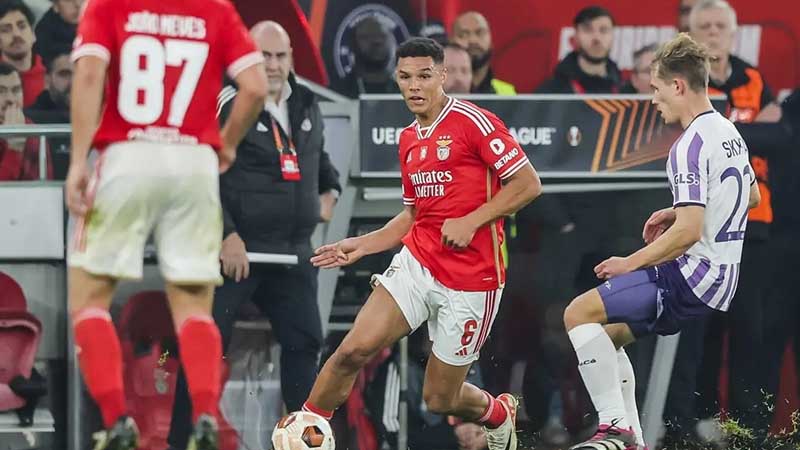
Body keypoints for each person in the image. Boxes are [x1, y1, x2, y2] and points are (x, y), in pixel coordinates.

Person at [303, 37, 542, 450]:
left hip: (472, 280)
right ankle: (306, 432)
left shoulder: (474, 122)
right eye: (405, 77)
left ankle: (499, 412)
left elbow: (528, 184)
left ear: (443, 76)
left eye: (424, 76)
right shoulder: (408, 139)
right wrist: (363, 244)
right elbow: (415, 215)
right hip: (419, 263)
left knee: (439, 398)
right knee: (350, 352)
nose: (414, 86)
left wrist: (473, 220)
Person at [65, 0, 268, 448]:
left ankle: (117, 420)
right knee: (195, 307)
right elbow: (254, 87)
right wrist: (227, 144)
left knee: (90, 298)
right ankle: (204, 416)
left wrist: (79, 159)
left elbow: (89, 74)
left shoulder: (108, 5)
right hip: (194, 161)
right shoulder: (215, 10)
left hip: (127, 153)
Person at [562, 33, 761, 450]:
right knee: (607, 335)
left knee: (577, 314)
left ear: (678, 85)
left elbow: (688, 234)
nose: (653, 99)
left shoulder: (687, 145)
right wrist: (680, 210)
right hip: (723, 279)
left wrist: (629, 262)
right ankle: (632, 437)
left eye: (655, 88)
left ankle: (616, 430)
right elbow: (752, 196)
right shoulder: (728, 130)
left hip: (693, 277)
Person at [166, 21, 342, 450]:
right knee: (206, 341)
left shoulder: (306, 101)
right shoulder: (226, 101)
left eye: (281, 56)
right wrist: (226, 234)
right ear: (247, 56)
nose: (274, 65)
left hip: (292, 252)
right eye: (264, 56)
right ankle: (182, 440)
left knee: (306, 342)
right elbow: (199, 172)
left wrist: (329, 195)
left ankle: (304, 443)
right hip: (237, 252)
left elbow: (323, 166)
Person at [686, 0, 780, 431]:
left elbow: (780, 136)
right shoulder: (682, 80)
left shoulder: (753, 78)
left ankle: (746, 427)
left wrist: (721, 132)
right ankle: (699, 421)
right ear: (690, 32)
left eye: (719, 25)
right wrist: (749, 131)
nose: (712, 32)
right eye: (703, 25)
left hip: (753, 224)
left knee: (749, 332)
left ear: (733, 32)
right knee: (701, 330)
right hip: (698, 224)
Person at [536, 6, 621, 94]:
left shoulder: (624, 90)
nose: (596, 38)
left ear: (613, 36)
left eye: (604, 30)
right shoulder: (550, 93)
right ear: (575, 36)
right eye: (588, 30)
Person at [0, 61, 51, 180]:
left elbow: (45, 190)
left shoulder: (36, 134)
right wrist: (15, 149)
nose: (10, 99)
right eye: (1, 91)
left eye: (16, 90)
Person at [332, 15, 398, 98]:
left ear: (393, 43)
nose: (376, 41)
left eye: (382, 36)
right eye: (366, 37)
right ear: (352, 45)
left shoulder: (409, 91)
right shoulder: (335, 93)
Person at [451, 11, 515, 95]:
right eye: (464, 34)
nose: (473, 40)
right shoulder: (439, 92)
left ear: (490, 39)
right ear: (451, 41)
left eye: (480, 33)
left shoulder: (507, 94)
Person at [0, 0, 44, 107]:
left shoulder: (52, 73)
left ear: (33, 34)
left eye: (22, 26)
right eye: (6, 29)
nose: (16, 34)